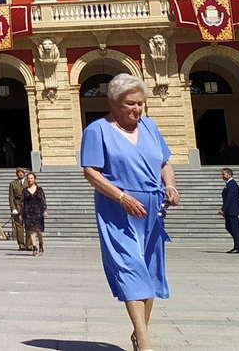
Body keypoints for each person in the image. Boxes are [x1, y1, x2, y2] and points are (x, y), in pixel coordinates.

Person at [81, 73, 178, 351]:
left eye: (140, 104)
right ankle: (145, 341)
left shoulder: (150, 126)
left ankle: (139, 333)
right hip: (117, 211)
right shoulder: (97, 130)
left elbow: (165, 164)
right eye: (130, 104)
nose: (137, 109)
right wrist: (121, 198)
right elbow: (90, 172)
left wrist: (170, 187)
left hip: (152, 210)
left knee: (149, 271)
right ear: (114, 102)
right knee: (130, 268)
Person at [20, 172, 47, 256]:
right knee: (31, 230)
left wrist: (44, 210)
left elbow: (43, 200)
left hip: (38, 212)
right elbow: (22, 202)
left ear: (34, 179)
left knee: (39, 231)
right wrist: (21, 213)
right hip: (28, 212)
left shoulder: (39, 189)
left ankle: (41, 244)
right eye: (28, 178)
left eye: (31, 178)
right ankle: (34, 247)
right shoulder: (24, 190)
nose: (30, 180)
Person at [220, 168, 239, 253]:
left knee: (234, 228)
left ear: (229, 174)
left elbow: (229, 198)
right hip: (229, 210)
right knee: (229, 227)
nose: (222, 176)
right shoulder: (228, 184)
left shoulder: (232, 184)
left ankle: (238, 247)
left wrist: (223, 209)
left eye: (224, 174)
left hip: (232, 210)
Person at [8, 166, 30, 251]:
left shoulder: (28, 183)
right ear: (16, 174)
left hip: (27, 206)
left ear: (24, 174)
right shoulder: (13, 184)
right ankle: (21, 245)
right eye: (18, 173)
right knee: (19, 227)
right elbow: (11, 197)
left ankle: (29, 245)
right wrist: (13, 208)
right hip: (17, 206)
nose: (20, 174)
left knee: (28, 226)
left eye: (22, 172)